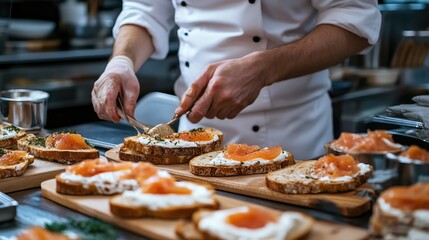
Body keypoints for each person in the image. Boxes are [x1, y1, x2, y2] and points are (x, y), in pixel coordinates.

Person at [91, 1, 381, 160]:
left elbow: (355, 19)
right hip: (193, 133)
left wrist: (265, 68)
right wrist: (122, 61)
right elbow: (144, 11)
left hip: (291, 135)